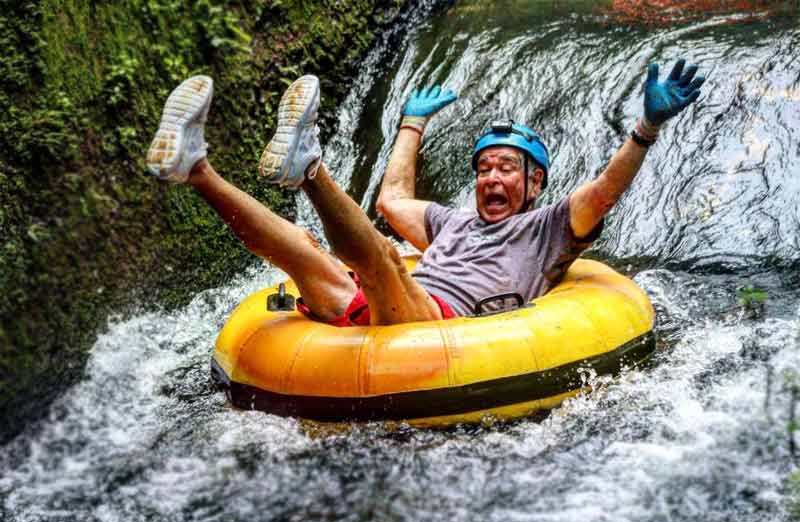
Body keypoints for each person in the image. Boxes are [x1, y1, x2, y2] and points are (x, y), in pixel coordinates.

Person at [146, 60, 704, 326]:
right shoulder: (453, 221)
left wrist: (646, 129)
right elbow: (390, 201)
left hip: (432, 324)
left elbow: (604, 192)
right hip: (374, 311)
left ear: (535, 182)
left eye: (507, 168)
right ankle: (195, 168)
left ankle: (309, 167)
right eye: (484, 168)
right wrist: (411, 126)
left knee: (385, 259)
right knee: (302, 252)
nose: (491, 178)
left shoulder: (550, 228)